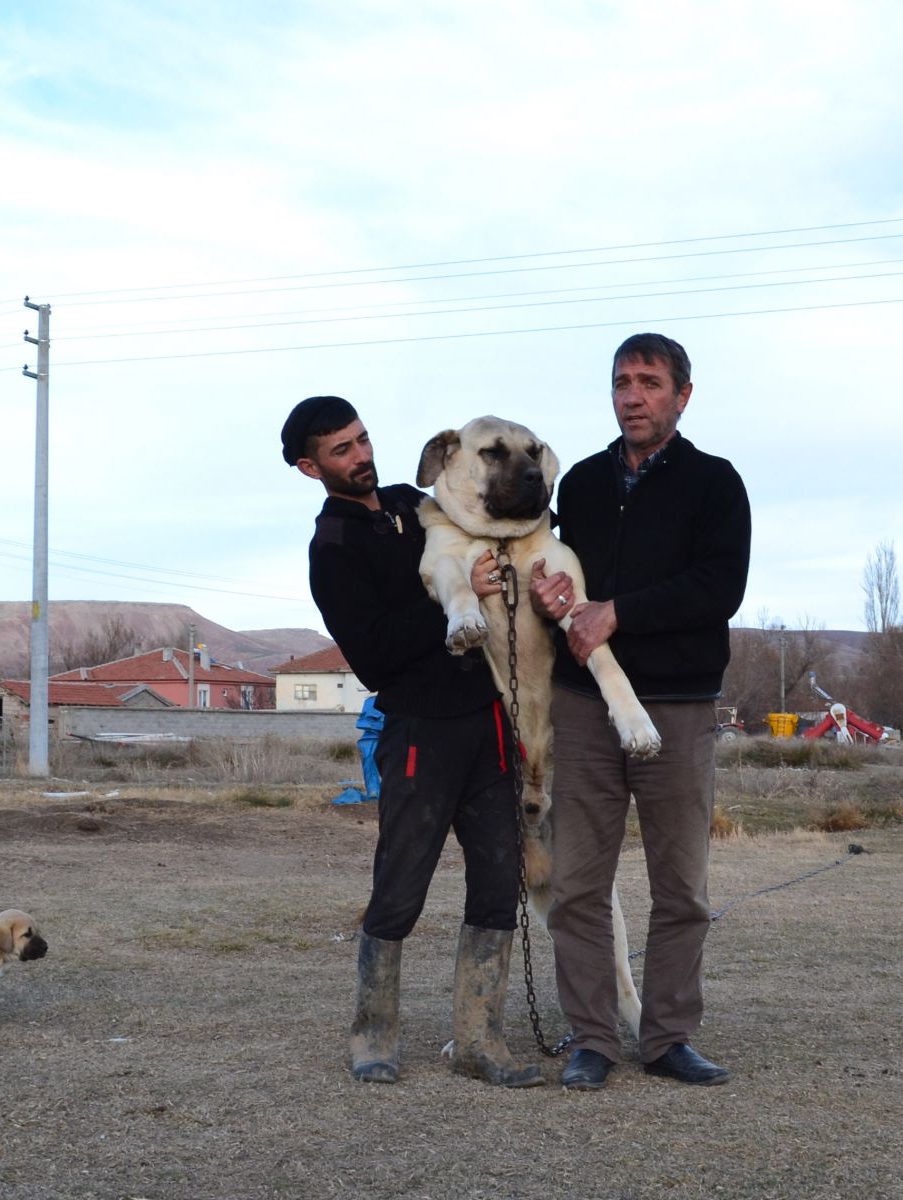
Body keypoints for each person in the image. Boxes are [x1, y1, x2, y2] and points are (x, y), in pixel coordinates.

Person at [282, 394, 541, 1088]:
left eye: (361, 439)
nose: (360, 456)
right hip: (418, 729)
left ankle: (480, 1040)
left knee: (495, 879)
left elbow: (483, 525)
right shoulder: (331, 547)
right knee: (400, 886)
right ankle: (373, 1036)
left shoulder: (409, 502)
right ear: (311, 467)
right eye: (340, 450)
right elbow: (373, 657)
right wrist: (451, 600)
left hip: (487, 719)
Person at [528, 333, 751, 1090]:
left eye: (649, 382)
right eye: (621, 381)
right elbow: (560, 578)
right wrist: (550, 595)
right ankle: (591, 1037)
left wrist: (618, 612)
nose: (632, 395)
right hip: (585, 705)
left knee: (679, 888)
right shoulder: (582, 484)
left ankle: (666, 1038)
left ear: (681, 396)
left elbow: (719, 587)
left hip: (679, 708)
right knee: (577, 886)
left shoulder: (715, 483)